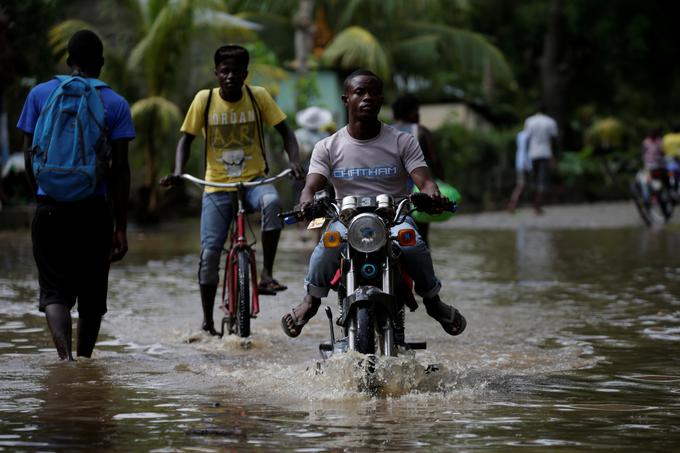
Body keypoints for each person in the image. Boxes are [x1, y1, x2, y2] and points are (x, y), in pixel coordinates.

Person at [280, 69, 466, 338]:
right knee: (325, 248)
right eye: (360, 92)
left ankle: (433, 302)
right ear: (347, 99)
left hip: (395, 219)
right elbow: (311, 186)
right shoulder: (328, 146)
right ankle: (311, 302)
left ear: (381, 100)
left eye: (374, 92)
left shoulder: (402, 141)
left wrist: (432, 194)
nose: (367, 97)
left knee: (413, 243)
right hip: (346, 221)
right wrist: (305, 203)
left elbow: (425, 181)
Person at [160, 45, 303, 336]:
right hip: (215, 185)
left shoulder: (258, 96)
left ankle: (266, 275)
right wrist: (177, 171)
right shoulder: (205, 100)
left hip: (255, 182)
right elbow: (185, 140)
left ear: (245, 75)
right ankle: (207, 321)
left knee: (273, 202)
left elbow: (286, 133)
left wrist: (295, 162)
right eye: (224, 71)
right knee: (210, 253)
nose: (230, 76)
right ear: (216, 73)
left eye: (236, 71)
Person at [17, 30, 135, 360]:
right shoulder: (115, 103)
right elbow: (121, 168)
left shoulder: (40, 95)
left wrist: (39, 196)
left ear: (68, 61)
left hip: (49, 208)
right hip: (93, 209)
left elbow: (28, 154)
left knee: (54, 292)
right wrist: (121, 226)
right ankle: (84, 361)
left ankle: (64, 360)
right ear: (101, 63)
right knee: (91, 296)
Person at [391, 94, 444, 244]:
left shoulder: (385, 132)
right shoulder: (420, 131)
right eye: (416, 111)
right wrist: (440, 183)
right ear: (410, 112)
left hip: (390, 195)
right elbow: (435, 161)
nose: (418, 114)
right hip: (418, 193)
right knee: (420, 239)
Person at [293, 106, 332, 203]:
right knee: (319, 201)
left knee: (304, 201)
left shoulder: (298, 135)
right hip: (311, 174)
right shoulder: (324, 136)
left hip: (312, 174)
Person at [524, 105, 558, 214]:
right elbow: (554, 140)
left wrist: (525, 155)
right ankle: (537, 206)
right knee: (542, 181)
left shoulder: (529, 121)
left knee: (534, 180)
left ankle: (535, 204)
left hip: (533, 153)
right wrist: (554, 156)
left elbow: (527, 140)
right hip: (545, 153)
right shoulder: (550, 122)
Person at [506, 129, 531, 213]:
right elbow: (525, 149)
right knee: (521, 185)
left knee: (521, 185)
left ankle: (513, 205)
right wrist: (526, 163)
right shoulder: (527, 136)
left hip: (520, 162)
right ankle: (512, 206)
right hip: (524, 163)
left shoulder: (520, 135)